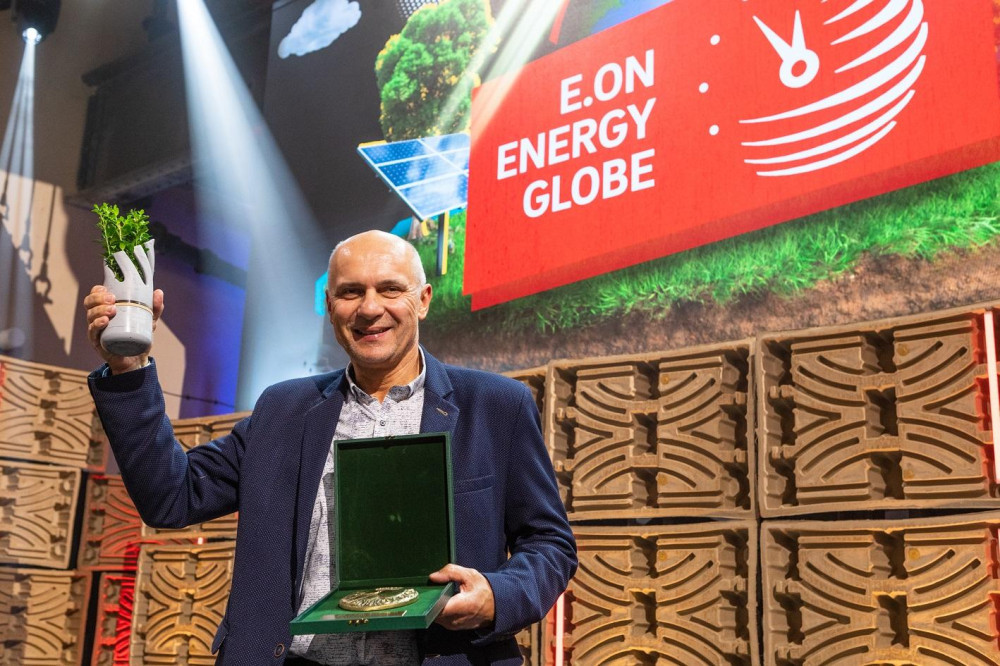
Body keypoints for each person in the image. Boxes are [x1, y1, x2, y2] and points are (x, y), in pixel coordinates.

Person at [83, 230, 577, 665]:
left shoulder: (496, 406)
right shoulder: (283, 410)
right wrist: (128, 369)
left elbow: (549, 543)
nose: (369, 308)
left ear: (423, 299)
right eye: (350, 292)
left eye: (390, 289)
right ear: (330, 304)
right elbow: (172, 497)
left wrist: (496, 596)